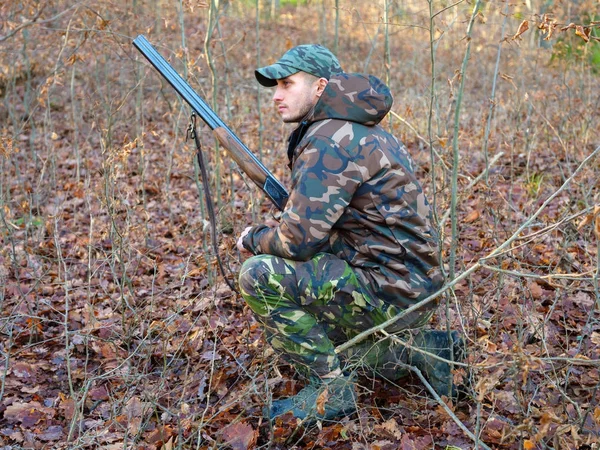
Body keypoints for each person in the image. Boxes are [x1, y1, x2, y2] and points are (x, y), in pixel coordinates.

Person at [236, 44, 462, 422]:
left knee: (260, 275)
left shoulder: (328, 140)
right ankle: (425, 349)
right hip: (411, 287)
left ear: (320, 87)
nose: (276, 95)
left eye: (288, 84)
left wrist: (252, 237)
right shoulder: (356, 130)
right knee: (324, 315)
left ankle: (331, 391)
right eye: (275, 86)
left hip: (392, 291)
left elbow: (296, 241)